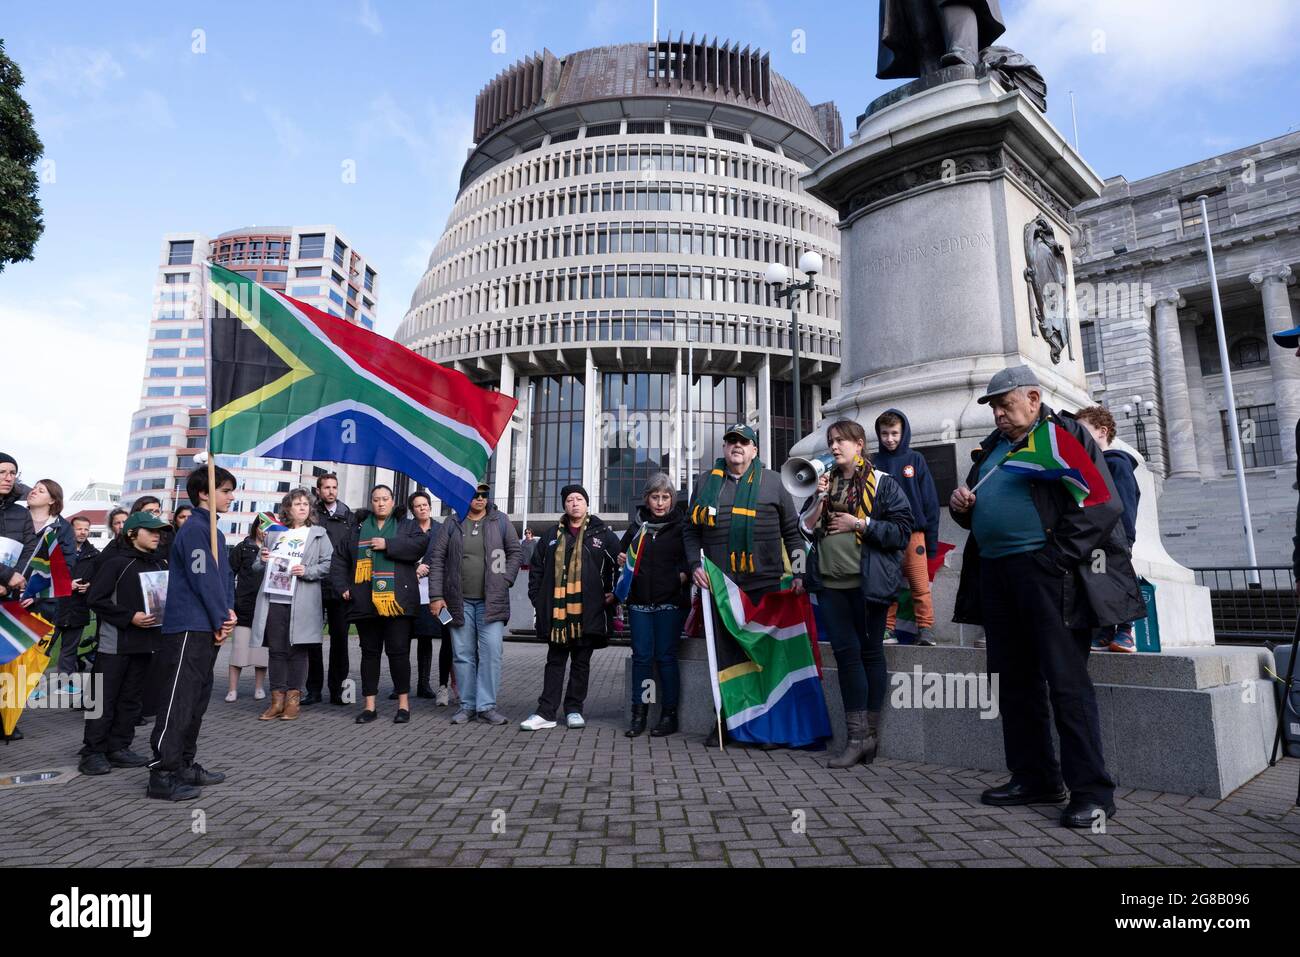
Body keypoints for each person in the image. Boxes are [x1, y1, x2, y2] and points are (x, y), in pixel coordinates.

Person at [949, 366, 1144, 828]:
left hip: (1045, 574)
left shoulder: (1061, 434)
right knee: (1013, 681)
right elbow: (981, 511)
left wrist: (1055, 556)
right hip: (997, 575)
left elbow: (1101, 501)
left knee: (1066, 682)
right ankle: (1034, 776)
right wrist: (963, 509)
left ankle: (1092, 791)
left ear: (1033, 398)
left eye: (1005, 404)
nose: (998, 413)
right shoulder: (994, 448)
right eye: (993, 407)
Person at [682, 423, 807, 747]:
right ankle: (725, 722)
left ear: (754, 450)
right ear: (725, 448)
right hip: (722, 587)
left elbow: (793, 533)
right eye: (731, 441)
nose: (736, 446)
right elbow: (690, 531)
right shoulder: (706, 484)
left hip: (764, 584)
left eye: (743, 442)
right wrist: (694, 565)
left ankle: (765, 726)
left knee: (762, 655)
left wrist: (799, 573)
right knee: (726, 657)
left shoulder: (774, 483)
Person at [801, 420, 914, 767]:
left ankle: (868, 738)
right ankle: (857, 737)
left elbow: (901, 531)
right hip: (831, 586)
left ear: (860, 444)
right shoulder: (826, 483)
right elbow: (805, 528)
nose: (835, 447)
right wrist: (820, 499)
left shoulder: (883, 483)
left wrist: (859, 524)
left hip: (868, 585)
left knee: (870, 655)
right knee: (847, 657)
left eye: (841, 441)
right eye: (831, 441)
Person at [146, 464, 238, 802]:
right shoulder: (196, 529)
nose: (231, 496)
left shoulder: (217, 533)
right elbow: (202, 579)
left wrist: (227, 614)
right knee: (179, 699)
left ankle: (184, 763)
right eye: (226, 490)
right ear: (204, 492)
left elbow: (222, 578)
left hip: (207, 626)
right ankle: (162, 772)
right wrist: (218, 616)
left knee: (197, 700)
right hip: (188, 625)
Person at [521, 485, 621, 731]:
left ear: (587, 504)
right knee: (554, 661)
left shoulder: (603, 535)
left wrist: (615, 594)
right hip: (558, 615)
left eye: (579, 499)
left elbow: (621, 567)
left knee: (581, 662)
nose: (574, 503)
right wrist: (539, 600)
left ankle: (574, 709)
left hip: (588, 613)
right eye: (569, 500)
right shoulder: (551, 535)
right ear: (564, 506)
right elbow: (537, 570)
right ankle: (546, 712)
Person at [79, 511, 170, 775]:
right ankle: (92, 752)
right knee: (103, 699)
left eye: (159, 531)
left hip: (145, 644)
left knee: (131, 699)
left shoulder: (158, 564)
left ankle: (119, 747)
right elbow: (95, 599)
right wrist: (130, 617)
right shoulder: (116, 563)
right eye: (151, 531)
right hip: (114, 644)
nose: (157, 535)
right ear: (132, 534)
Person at [329, 484, 427, 725]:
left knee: (399, 653)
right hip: (365, 601)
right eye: (376, 499)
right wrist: (342, 587)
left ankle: (403, 706)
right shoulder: (358, 528)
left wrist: (388, 545)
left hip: (397, 602)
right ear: (370, 502)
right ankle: (369, 707)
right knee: (369, 654)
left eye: (385, 499)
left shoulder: (407, 525)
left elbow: (419, 546)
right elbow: (339, 558)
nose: (381, 503)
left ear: (393, 502)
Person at [429, 482, 521, 725]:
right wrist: (436, 596)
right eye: (474, 495)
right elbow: (437, 559)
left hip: (491, 602)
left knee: (492, 652)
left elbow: (514, 552)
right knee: (462, 654)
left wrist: (505, 579)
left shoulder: (499, 520)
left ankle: (487, 706)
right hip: (458, 602)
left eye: (484, 495)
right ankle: (467, 706)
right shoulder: (452, 522)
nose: (479, 499)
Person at [250, 489, 332, 722]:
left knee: (298, 650)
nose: (303, 507)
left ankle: (293, 701)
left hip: (303, 601)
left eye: (306, 503)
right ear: (287, 508)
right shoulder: (275, 534)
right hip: (275, 599)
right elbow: (257, 567)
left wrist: (307, 571)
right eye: (297, 504)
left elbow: (327, 565)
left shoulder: (318, 534)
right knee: (276, 651)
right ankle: (277, 700)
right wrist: (262, 560)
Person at [619, 473, 690, 738]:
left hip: (669, 604)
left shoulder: (682, 526)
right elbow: (623, 555)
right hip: (639, 604)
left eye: (665, 497)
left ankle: (668, 716)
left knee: (666, 659)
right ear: (647, 499)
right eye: (655, 497)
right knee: (642, 659)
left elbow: (690, 560)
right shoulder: (637, 526)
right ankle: (639, 715)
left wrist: (679, 577)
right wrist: (621, 558)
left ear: (672, 500)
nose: (660, 502)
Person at [1076, 406, 1143, 654]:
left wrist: (1126, 537)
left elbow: (1126, 500)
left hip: (1116, 535)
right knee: (1099, 581)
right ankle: (1106, 629)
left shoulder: (1116, 463)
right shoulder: (1087, 466)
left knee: (1119, 578)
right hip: (1094, 535)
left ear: (1102, 431)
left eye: (1082, 431)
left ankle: (1125, 630)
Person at [873, 409, 941, 646]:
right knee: (887, 585)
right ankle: (887, 629)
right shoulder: (874, 462)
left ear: (904, 433)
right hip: (885, 536)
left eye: (894, 433)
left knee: (919, 586)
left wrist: (931, 543)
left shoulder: (916, 460)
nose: (889, 439)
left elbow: (930, 502)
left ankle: (926, 629)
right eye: (884, 433)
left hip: (914, 536)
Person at [22, 479, 80, 696]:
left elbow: (64, 567)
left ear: (53, 499)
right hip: (7, 592)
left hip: (40, 603)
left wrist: (35, 595)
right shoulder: (17, 519)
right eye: (34, 488)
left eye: (41, 490)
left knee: (26, 660)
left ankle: (12, 718)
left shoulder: (61, 528)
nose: (34, 491)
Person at [0, 453, 35, 742]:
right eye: (2, 472)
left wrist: (12, 579)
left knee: (7, 660)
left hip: (7, 596)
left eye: (12, 472)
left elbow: (29, 549)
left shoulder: (21, 513)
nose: (8, 477)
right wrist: (4, 575)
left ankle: (4, 719)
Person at [313, 473, 354, 706]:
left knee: (340, 641)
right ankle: (313, 689)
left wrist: (348, 584)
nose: (330, 491)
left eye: (334, 487)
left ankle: (338, 691)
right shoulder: (311, 516)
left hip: (340, 588)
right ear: (318, 490)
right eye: (326, 487)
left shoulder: (349, 517)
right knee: (312, 640)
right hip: (314, 585)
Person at [402, 490, 444, 701]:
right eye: (418, 506)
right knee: (402, 640)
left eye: (425, 504)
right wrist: (415, 567)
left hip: (432, 593)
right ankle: (401, 685)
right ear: (413, 510)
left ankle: (424, 684)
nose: (422, 508)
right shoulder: (405, 529)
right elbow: (397, 554)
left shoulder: (440, 529)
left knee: (426, 639)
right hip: (408, 592)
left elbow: (446, 556)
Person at [53, 515, 99, 690]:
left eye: (86, 529)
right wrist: (66, 584)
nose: (83, 532)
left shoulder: (94, 554)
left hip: (78, 608)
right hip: (56, 606)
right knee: (43, 649)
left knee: (69, 650)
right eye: (79, 528)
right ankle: (32, 684)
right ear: (70, 529)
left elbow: (100, 578)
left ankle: (65, 684)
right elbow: (44, 575)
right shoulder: (57, 550)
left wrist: (89, 585)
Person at [226, 524, 268, 701]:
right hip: (244, 605)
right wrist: (231, 599)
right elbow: (229, 573)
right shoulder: (242, 548)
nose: (265, 530)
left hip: (265, 605)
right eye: (262, 525)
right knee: (239, 648)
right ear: (255, 527)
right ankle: (232, 689)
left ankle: (259, 688)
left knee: (261, 652)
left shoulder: (276, 549)